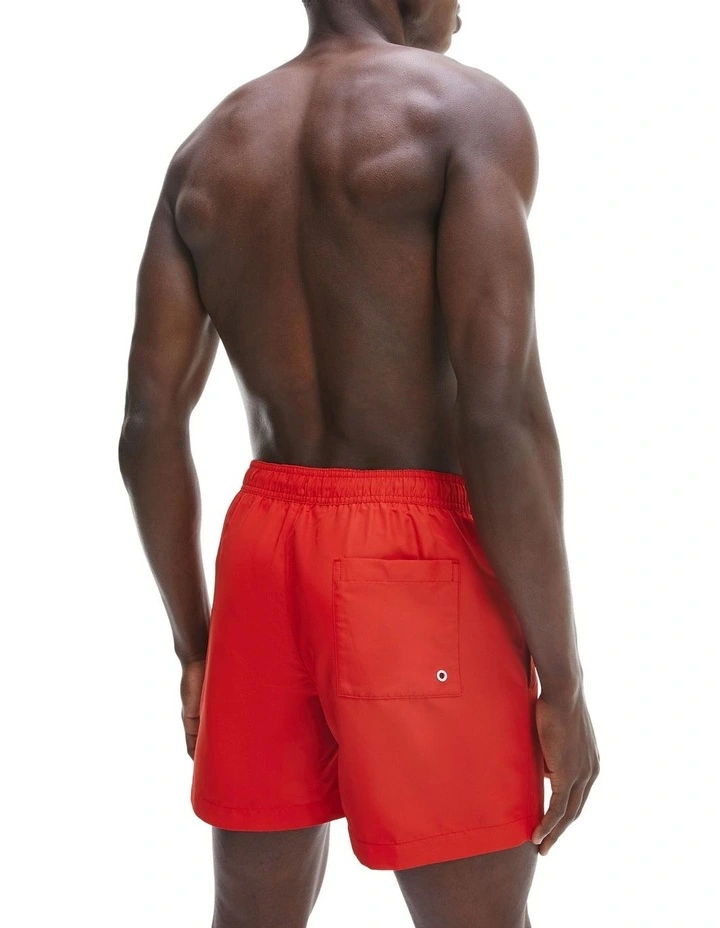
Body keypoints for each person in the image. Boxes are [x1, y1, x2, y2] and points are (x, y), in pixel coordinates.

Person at [119, 1, 599, 925]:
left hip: (262, 556)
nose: (464, 13)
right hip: (414, 559)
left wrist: (198, 648)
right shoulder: (464, 114)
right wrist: (564, 683)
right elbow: (500, 410)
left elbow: (148, 425)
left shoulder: (208, 152)